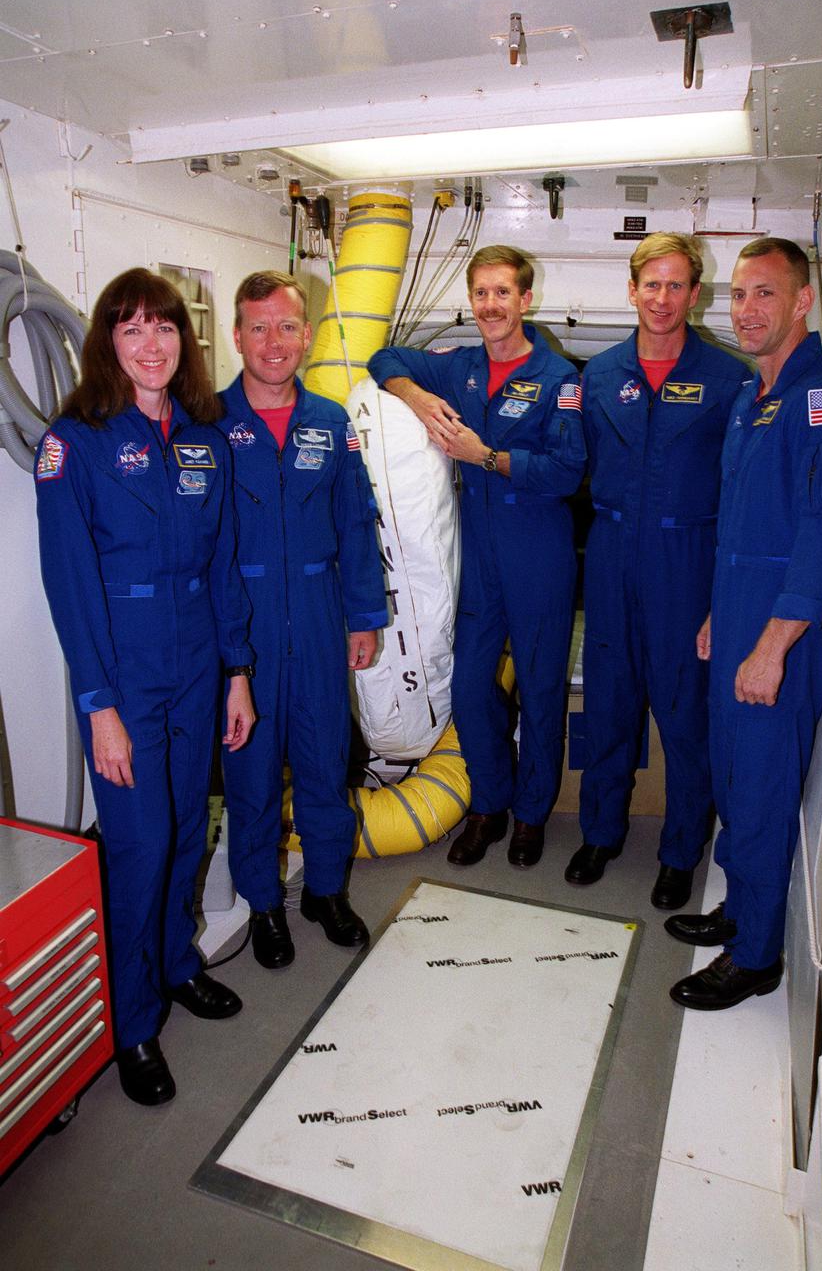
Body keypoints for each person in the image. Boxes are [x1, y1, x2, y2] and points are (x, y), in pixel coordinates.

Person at [34, 268, 255, 1106]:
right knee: (137, 849)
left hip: (200, 665)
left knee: (190, 837)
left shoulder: (203, 437)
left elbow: (222, 562)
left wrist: (237, 671)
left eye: (164, 329)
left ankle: (173, 964)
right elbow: (70, 585)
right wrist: (99, 710)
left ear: (183, 342)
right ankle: (131, 1025)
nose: (152, 345)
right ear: (107, 344)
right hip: (125, 674)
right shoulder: (76, 441)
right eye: (132, 330)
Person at [667, 237, 822, 1009]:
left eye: (765, 295)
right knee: (731, 774)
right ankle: (740, 909)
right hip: (741, 611)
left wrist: (773, 646)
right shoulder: (756, 397)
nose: (746, 311)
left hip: (784, 628)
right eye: (739, 295)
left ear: (803, 301)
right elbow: (743, 522)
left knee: (759, 787)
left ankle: (755, 957)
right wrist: (721, 611)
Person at [368, 245, 586, 868]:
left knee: (542, 691)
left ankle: (531, 815)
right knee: (468, 689)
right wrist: (414, 395)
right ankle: (489, 801)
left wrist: (484, 456)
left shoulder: (559, 380)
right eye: (481, 294)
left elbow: (568, 472)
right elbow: (385, 357)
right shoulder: (460, 367)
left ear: (525, 300)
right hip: (478, 554)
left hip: (539, 550)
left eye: (502, 293)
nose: (491, 306)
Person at [565, 234, 751, 909]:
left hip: (687, 564)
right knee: (609, 705)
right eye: (652, 284)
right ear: (632, 289)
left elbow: (740, 497)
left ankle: (679, 852)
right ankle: (601, 833)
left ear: (695, 295)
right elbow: (566, 463)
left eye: (677, 286)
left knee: (685, 719)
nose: (663, 298)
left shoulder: (730, 382)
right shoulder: (598, 376)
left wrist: (720, 601)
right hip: (612, 555)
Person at [219, 272, 386, 968]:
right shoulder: (206, 424)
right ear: (236, 337)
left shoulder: (330, 422)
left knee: (325, 765)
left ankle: (324, 890)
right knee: (252, 777)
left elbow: (355, 522)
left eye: (286, 326)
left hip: (318, 617)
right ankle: (263, 904)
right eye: (258, 327)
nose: (274, 342)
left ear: (307, 335)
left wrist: (364, 615)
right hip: (246, 624)